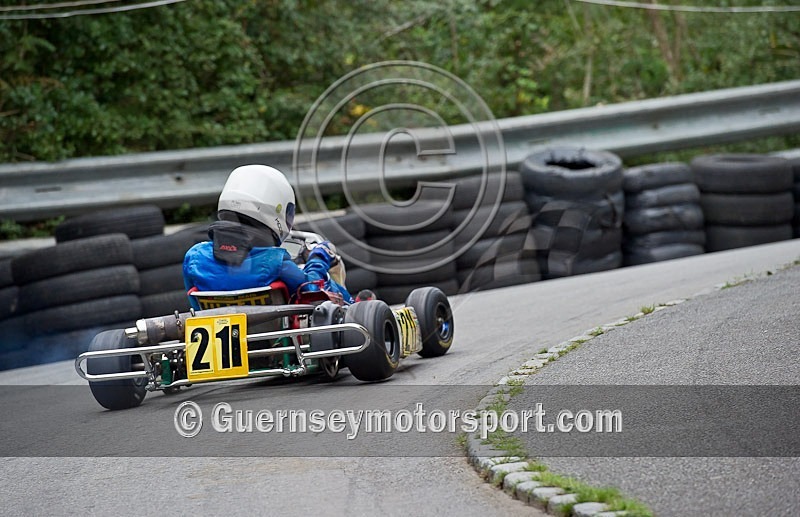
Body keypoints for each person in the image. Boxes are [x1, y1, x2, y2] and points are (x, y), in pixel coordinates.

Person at [183, 164, 354, 309]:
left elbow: (195, 305)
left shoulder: (194, 256)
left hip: (215, 344)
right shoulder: (275, 261)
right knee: (332, 289)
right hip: (275, 343)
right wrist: (319, 259)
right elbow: (311, 289)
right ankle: (356, 306)